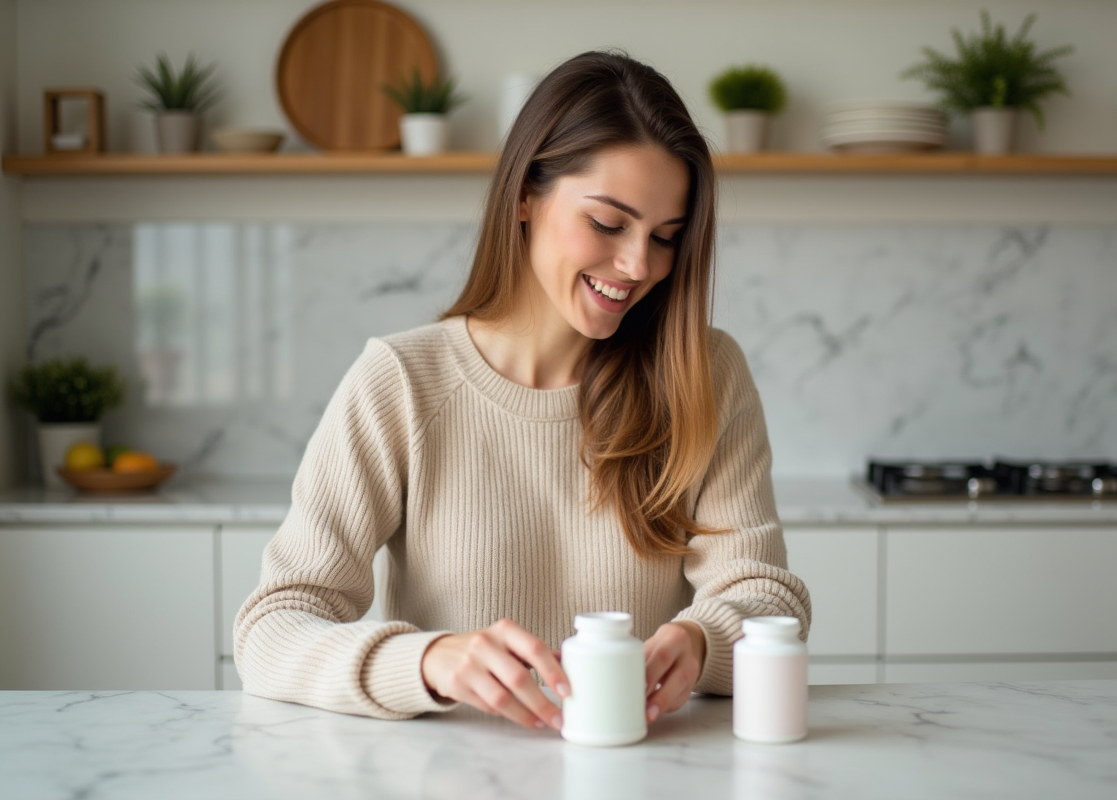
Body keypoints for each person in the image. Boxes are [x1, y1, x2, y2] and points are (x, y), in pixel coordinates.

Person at [234, 50, 811, 730]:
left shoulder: (704, 373)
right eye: (607, 223)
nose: (638, 265)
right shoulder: (402, 382)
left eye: (665, 237)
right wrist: (428, 661)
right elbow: (271, 631)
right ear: (524, 198)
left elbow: (767, 599)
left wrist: (701, 640)